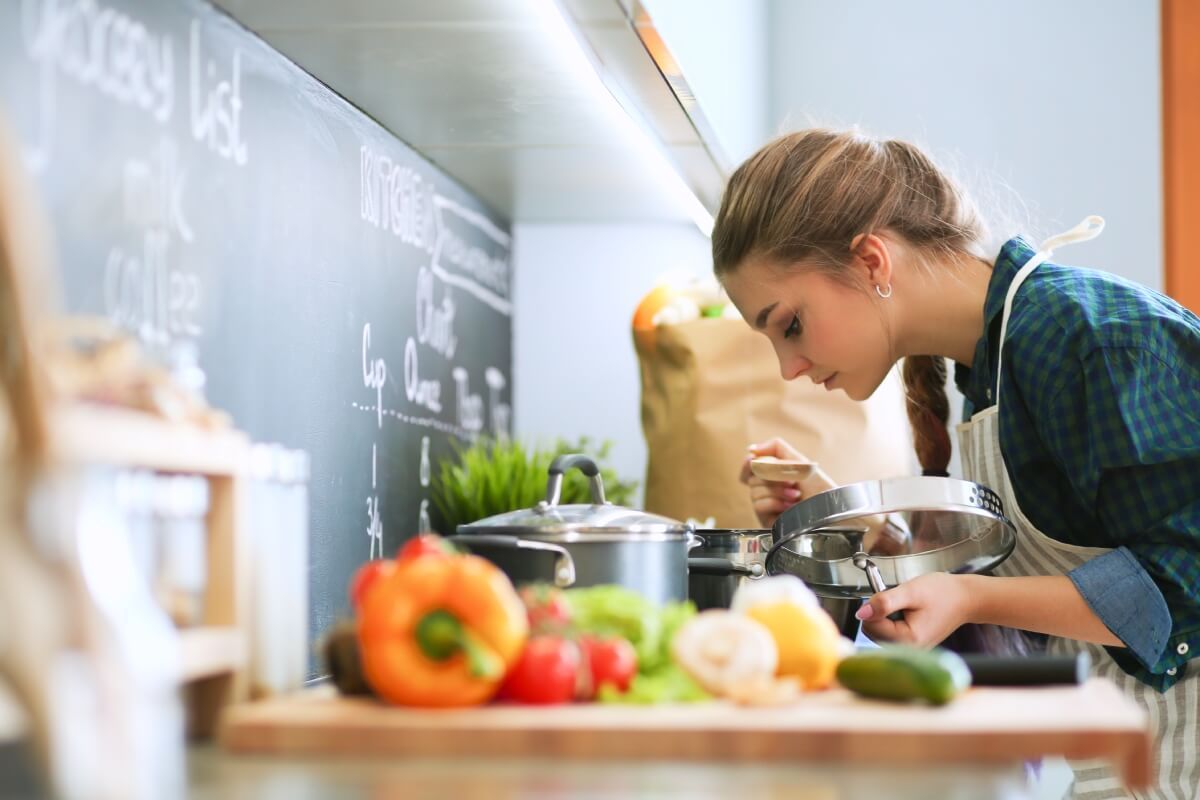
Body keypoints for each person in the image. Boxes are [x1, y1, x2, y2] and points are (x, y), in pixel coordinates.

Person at [716, 128, 1200, 799]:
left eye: (790, 324)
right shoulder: (987, 365)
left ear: (871, 262)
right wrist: (851, 520)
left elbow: (1182, 584)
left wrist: (971, 595)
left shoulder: (1078, 336)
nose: (788, 368)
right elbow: (1048, 574)